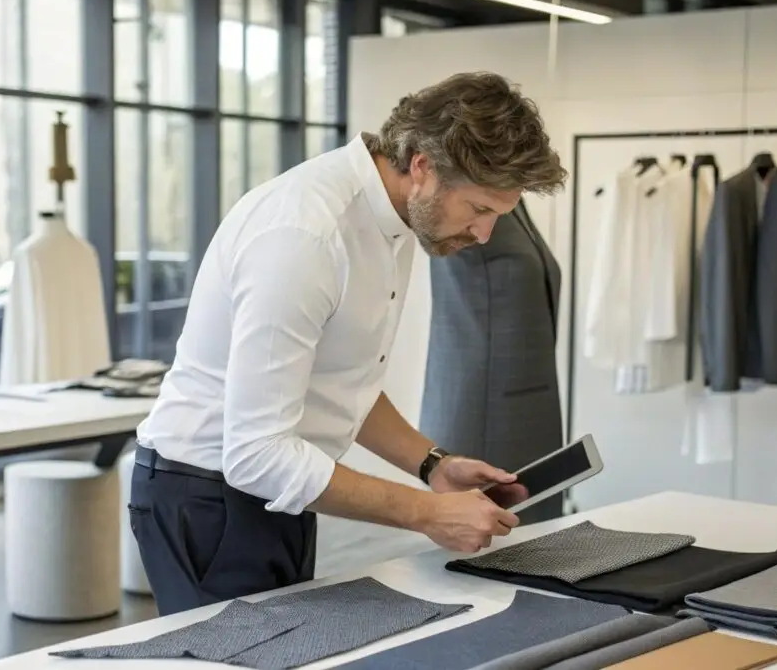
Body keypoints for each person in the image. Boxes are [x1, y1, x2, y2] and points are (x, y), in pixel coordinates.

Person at [130, 71, 568, 615]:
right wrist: (424, 513)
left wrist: (434, 466)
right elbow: (255, 454)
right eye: (479, 210)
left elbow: (337, 382)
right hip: (207, 496)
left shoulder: (397, 216)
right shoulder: (304, 234)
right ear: (424, 168)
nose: (483, 235)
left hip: (275, 492)